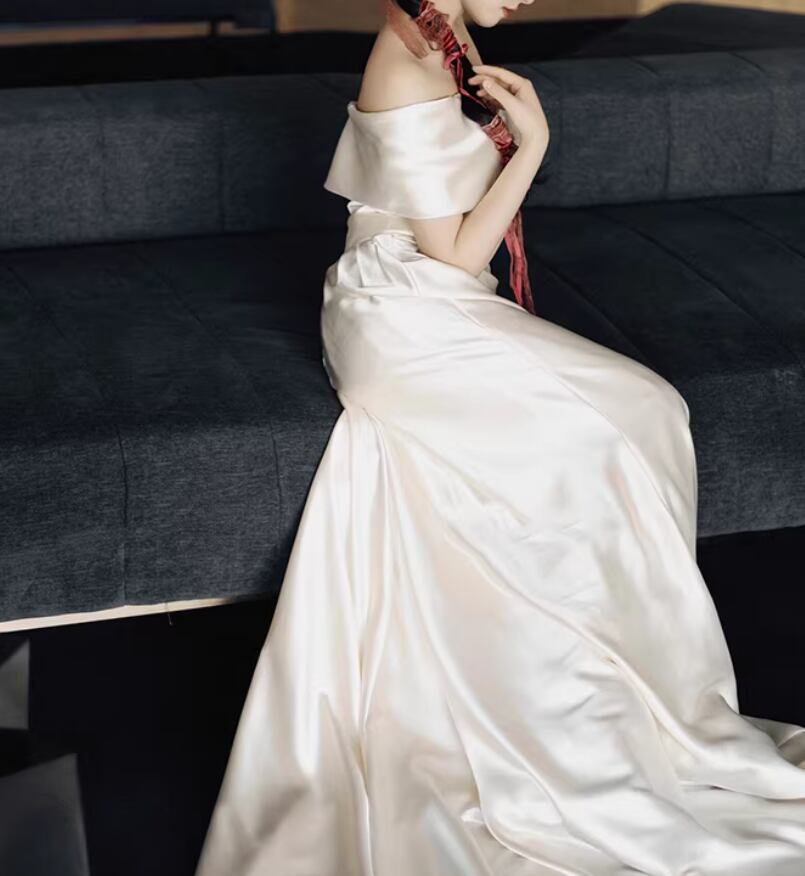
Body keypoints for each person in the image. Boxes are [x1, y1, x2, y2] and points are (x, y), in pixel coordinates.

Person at [194, 2, 805, 874]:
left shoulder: (448, 34)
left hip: (435, 293)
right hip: (399, 311)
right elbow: (448, 253)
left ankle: (606, 686)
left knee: (642, 414)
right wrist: (533, 148)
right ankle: (584, 697)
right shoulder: (404, 56)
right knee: (633, 412)